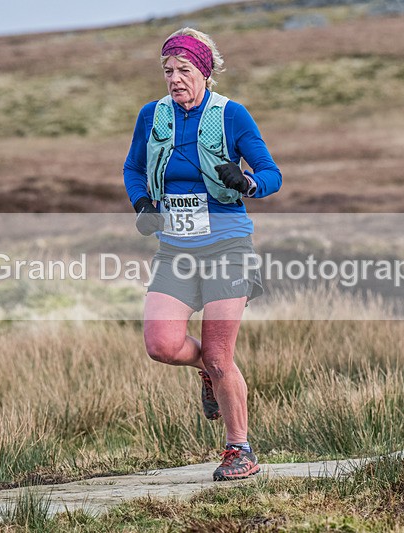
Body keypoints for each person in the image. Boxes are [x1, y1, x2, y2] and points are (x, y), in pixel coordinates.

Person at [123, 27, 282, 481]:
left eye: (184, 70)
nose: (174, 79)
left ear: (204, 72)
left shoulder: (232, 115)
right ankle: (208, 374)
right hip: (175, 248)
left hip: (228, 246)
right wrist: (143, 204)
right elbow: (133, 167)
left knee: (218, 354)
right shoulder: (152, 116)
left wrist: (248, 182)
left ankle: (240, 450)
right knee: (161, 345)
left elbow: (272, 174)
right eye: (167, 70)